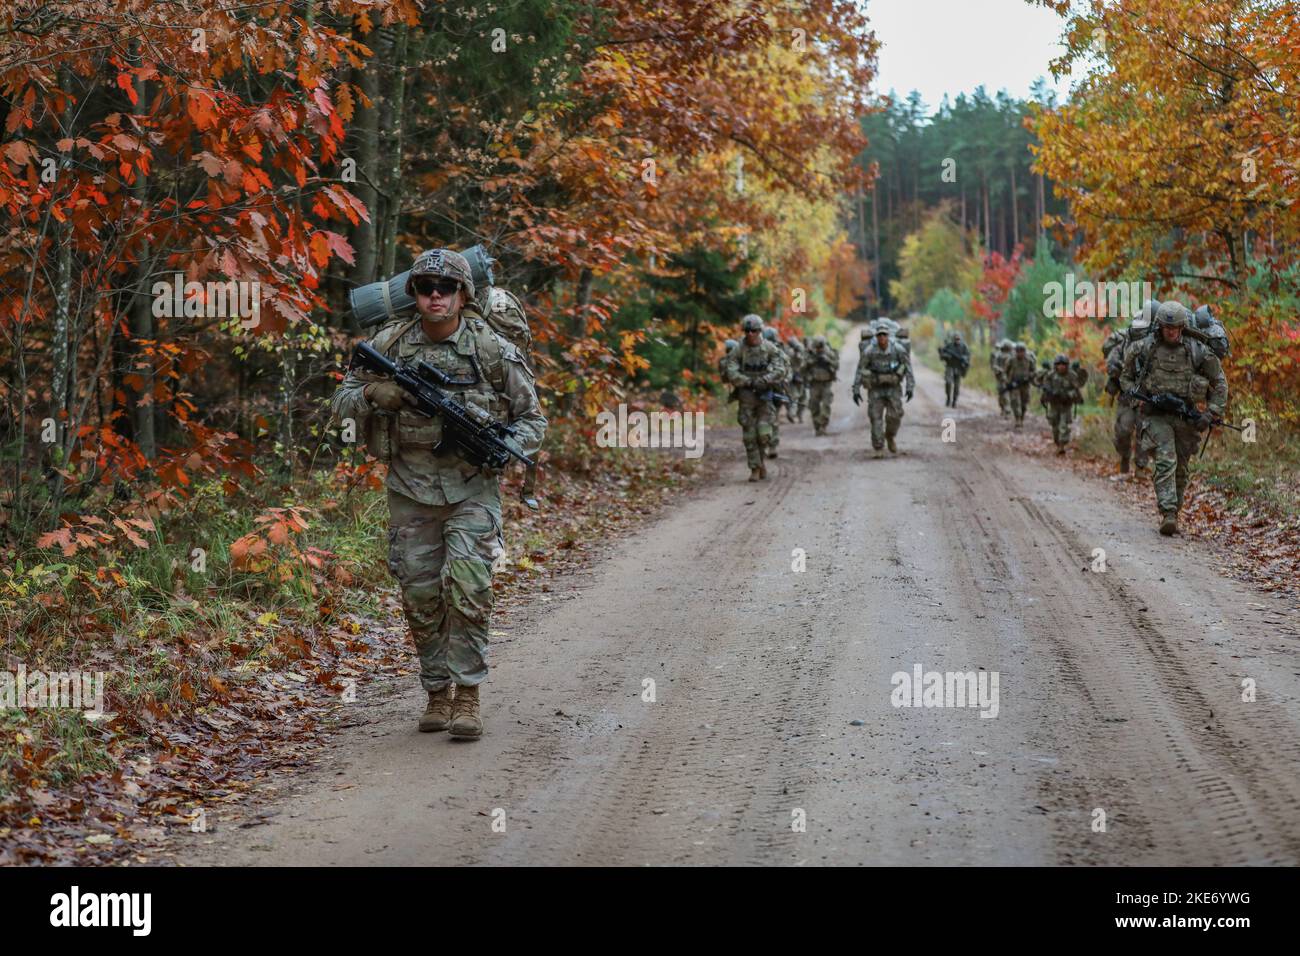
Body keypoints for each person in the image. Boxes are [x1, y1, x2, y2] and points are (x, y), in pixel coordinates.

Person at [331, 249, 546, 738]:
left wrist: (504, 447)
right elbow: (339, 402)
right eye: (425, 286)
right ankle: (435, 692)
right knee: (420, 593)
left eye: (445, 288)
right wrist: (371, 395)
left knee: (470, 585)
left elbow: (532, 417)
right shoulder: (389, 343)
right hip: (410, 487)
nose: (434, 295)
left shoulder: (489, 347)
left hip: (472, 487)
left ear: (463, 295)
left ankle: (467, 694)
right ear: (413, 292)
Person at [1120, 301, 1228, 536]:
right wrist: (1137, 398)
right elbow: (1125, 377)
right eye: (1167, 328)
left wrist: (1210, 413)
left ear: (1182, 327)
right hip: (1156, 415)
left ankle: (1174, 512)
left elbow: (1219, 382)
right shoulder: (1145, 347)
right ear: (1159, 326)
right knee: (1165, 461)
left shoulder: (1197, 349)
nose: (1171, 332)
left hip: (1185, 416)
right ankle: (1168, 512)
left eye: (1175, 327)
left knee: (1181, 468)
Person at [723, 315, 790, 480]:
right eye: (747, 331)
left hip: (765, 396)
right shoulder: (739, 349)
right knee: (749, 435)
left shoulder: (770, 348)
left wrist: (765, 380)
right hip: (746, 396)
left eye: (754, 330)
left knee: (764, 434)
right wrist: (748, 382)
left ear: (760, 331)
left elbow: (782, 368)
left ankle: (761, 461)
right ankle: (755, 467)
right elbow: (730, 370)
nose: (750, 334)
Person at [852, 326, 914, 456]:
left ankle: (890, 436)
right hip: (876, 389)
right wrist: (856, 389)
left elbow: (908, 367)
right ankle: (878, 447)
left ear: (888, 336)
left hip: (893, 388)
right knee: (876, 418)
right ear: (876, 337)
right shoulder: (869, 351)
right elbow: (860, 369)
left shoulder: (898, 349)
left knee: (895, 416)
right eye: (879, 335)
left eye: (884, 335)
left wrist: (910, 387)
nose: (882, 338)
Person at [1037, 354, 1088, 454]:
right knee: (1054, 424)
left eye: (1063, 364)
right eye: (1059, 364)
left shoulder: (1071, 375)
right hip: (1054, 404)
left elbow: (1076, 388)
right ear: (1055, 365)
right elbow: (1045, 386)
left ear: (1067, 365)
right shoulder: (1050, 375)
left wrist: (1068, 394)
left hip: (1066, 404)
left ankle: (1062, 445)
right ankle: (1057, 442)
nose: (1061, 366)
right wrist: (1049, 394)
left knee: (1063, 425)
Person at [805, 335, 838, 436]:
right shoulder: (810, 354)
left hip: (826, 384)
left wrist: (827, 361)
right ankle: (817, 427)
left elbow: (836, 365)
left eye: (821, 347)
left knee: (826, 405)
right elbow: (803, 367)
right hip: (814, 384)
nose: (819, 349)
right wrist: (812, 361)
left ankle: (823, 426)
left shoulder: (830, 353)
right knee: (814, 406)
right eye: (817, 347)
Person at [1002, 342, 1037, 428]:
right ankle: (1017, 418)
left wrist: (1029, 377)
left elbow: (1034, 371)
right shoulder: (1011, 360)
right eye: (1018, 351)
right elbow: (1005, 371)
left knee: (1024, 403)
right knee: (1015, 401)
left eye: (1022, 351)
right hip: (1014, 385)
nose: (1020, 353)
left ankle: (1021, 417)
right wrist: (1007, 381)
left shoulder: (1029, 360)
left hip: (1025, 385)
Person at [938, 331, 971, 407]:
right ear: (953, 339)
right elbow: (941, 354)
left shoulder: (964, 346)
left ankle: (954, 401)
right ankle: (948, 398)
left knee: (956, 386)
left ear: (960, 339)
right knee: (948, 383)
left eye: (958, 339)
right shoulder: (949, 346)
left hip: (958, 367)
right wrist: (946, 356)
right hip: (950, 366)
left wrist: (964, 358)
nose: (957, 340)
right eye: (956, 339)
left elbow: (968, 356)